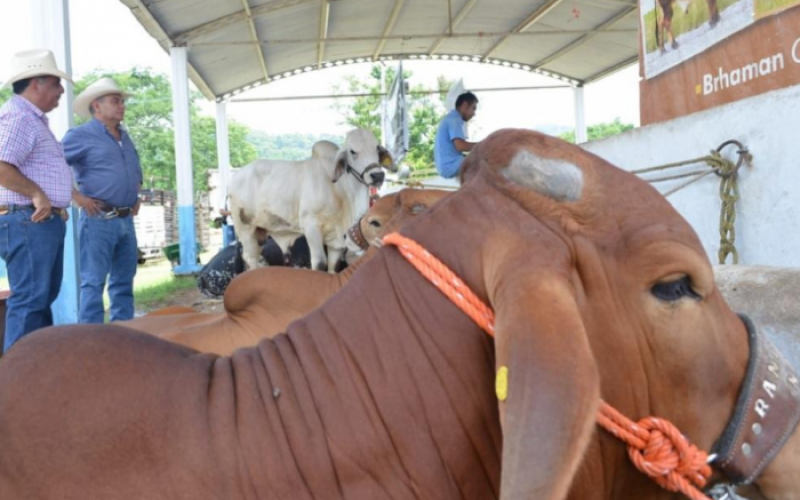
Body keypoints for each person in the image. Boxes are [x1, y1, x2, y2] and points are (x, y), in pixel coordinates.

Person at [0, 49, 74, 351]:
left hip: (37, 220)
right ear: (37, 84)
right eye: (56, 83)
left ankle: (37, 372)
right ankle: (15, 384)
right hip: (27, 220)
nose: (61, 91)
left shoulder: (32, 120)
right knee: (32, 298)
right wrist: (38, 194)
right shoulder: (19, 117)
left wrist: (55, 203)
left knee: (40, 297)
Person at [63, 78, 143, 323]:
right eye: (115, 101)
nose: (121, 106)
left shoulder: (125, 137)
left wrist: (135, 194)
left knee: (123, 280)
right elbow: (52, 166)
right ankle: (90, 340)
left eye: (121, 102)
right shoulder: (79, 135)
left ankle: (122, 334)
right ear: (96, 106)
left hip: (125, 219)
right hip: (98, 218)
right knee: (93, 281)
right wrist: (76, 197)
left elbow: (134, 170)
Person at [434, 91, 479, 179]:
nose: (474, 113)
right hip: (450, 166)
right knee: (487, 161)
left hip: (448, 165)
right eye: (473, 108)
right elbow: (460, 146)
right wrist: (484, 144)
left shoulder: (450, 118)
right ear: (465, 105)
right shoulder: (454, 119)